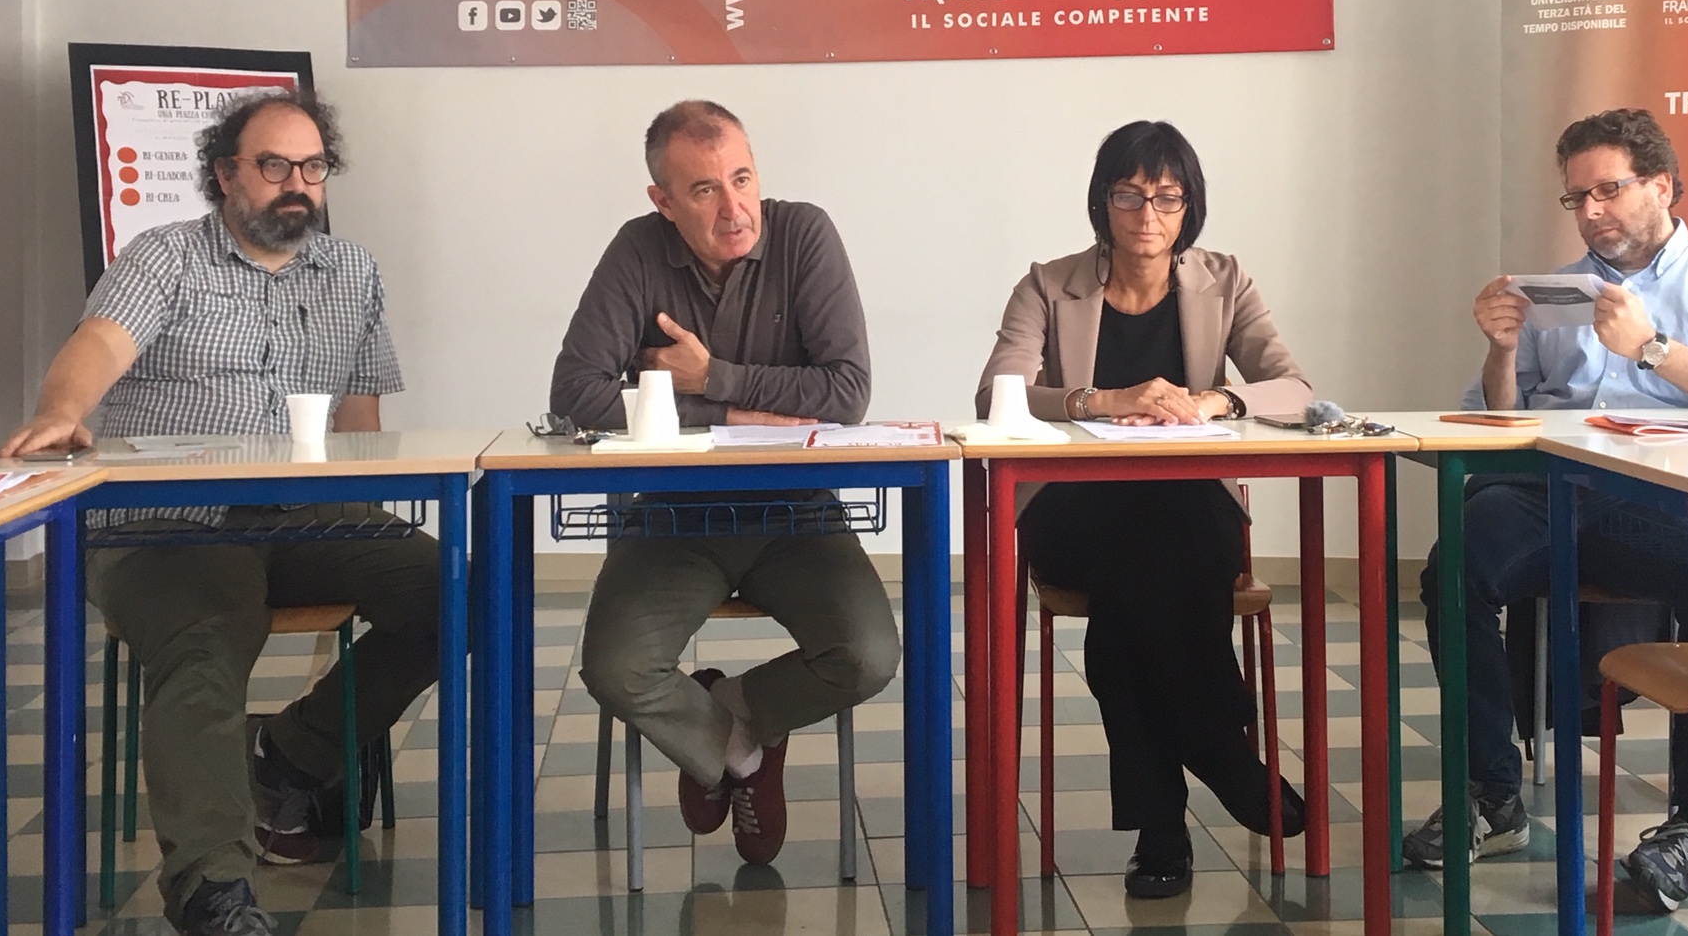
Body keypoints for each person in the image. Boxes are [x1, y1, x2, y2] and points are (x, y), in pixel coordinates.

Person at [0, 90, 437, 936]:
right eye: (274, 165)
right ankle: (214, 889)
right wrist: (60, 411)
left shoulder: (352, 272)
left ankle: (291, 754)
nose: (297, 184)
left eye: (313, 166)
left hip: (304, 512)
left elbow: (361, 421)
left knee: (453, 588)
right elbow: (99, 342)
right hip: (166, 521)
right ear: (225, 174)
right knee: (206, 636)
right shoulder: (166, 256)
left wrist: (367, 519)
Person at [1405, 108, 1688, 913]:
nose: (1590, 212)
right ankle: (1492, 794)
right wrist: (1502, 349)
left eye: (1608, 191)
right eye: (1576, 198)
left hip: (1673, 501)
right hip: (1553, 492)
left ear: (1662, 187)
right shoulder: (1555, 294)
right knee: (1455, 567)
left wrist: (1655, 351)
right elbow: (1496, 418)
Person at [553, 99, 899, 866]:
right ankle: (740, 753)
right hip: (674, 513)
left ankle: (731, 707)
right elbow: (574, 396)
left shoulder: (804, 234)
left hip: (797, 511)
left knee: (868, 656)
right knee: (616, 669)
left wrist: (712, 377)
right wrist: (735, 413)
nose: (734, 208)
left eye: (742, 178)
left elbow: (846, 392)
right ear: (664, 201)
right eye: (705, 190)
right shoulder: (637, 251)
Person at [976, 119, 1312, 900]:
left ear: (1190, 206)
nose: (1147, 214)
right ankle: (1220, 746)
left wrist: (1214, 399)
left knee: (1132, 607)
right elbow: (997, 393)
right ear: (1102, 202)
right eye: (1129, 195)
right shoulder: (1047, 284)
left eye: (1166, 197)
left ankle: (1163, 825)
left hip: (1189, 513)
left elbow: (1295, 389)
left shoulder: (1226, 281)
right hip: (1074, 511)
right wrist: (1099, 400)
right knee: (1145, 558)